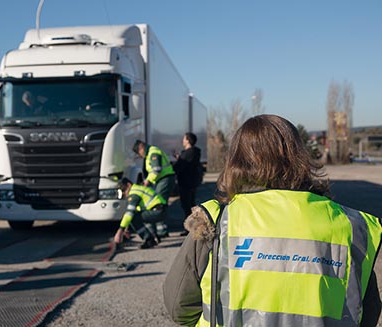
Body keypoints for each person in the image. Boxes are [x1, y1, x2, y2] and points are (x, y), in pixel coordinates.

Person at [163, 114, 381, 327]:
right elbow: (367, 312)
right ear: (298, 155)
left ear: (236, 160)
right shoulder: (351, 225)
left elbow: (179, 307)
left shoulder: (215, 220)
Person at [132, 140, 176, 238]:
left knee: (158, 204)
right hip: (162, 179)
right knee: (157, 203)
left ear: (141, 147)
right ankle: (160, 229)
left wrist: (148, 181)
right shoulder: (150, 153)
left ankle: (161, 231)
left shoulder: (153, 152)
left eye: (139, 153)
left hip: (165, 179)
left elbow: (156, 169)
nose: (140, 155)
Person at [113, 177, 167, 249]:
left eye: (124, 190)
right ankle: (153, 236)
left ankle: (149, 239)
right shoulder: (138, 189)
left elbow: (129, 213)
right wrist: (127, 228)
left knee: (134, 218)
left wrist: (120, 231)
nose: (124, 194)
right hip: (160, 209)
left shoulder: (134, 193)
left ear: (129, 185)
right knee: (137, 216)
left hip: (157, 211)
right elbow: (136, 210)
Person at [173, 132, 202, 235]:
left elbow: (180, 167)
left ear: (188, 140)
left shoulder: (188, 153)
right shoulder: (194, 153)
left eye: (184, 139)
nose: (183, 141)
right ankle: (193, 226)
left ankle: (190, 227)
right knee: (191, 204)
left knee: (186, 205)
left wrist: (175, 164)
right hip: (192, 182)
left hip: (186, 182)